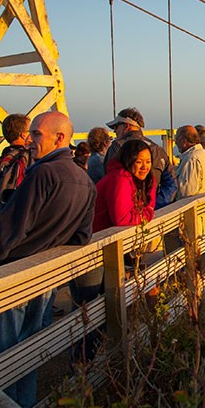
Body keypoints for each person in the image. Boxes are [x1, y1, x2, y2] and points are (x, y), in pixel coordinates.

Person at [0, 111, 96, 408]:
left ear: (59, 138)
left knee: (2, 354)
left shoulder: (42, 174)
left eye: (36, 134)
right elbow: (82, 237)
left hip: (12, 275)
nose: (30, 140)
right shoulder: (85, 181)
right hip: (45, 279)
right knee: (29, 351)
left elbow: (10, 230)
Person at [71, 138, 157, 361]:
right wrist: (147, 213)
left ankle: (90, 363)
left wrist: (147, 204)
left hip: (102, 248)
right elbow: (122, 218)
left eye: (148, 161)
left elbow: (140, 208)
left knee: (98, 309)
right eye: (139, 161)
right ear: (128, 160)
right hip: (89, 251)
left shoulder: (132, 179)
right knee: (88, 310)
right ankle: (81, 366)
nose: (145, 166)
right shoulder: (120, 178)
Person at [104, 107, 176, 208]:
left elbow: (111, 181)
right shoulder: (158, 149)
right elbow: (171, 183)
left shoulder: (117, 147)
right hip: (155, 210)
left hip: (128, 211)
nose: (115, 131)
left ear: (126, 126)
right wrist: (154, 206)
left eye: (116, 126)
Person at [174, 126, 205, 233]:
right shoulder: (204, 155)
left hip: (195, 220)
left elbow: (186, 193)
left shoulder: (192, 159)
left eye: (176, 139)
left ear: (184, 141)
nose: (175, 143)